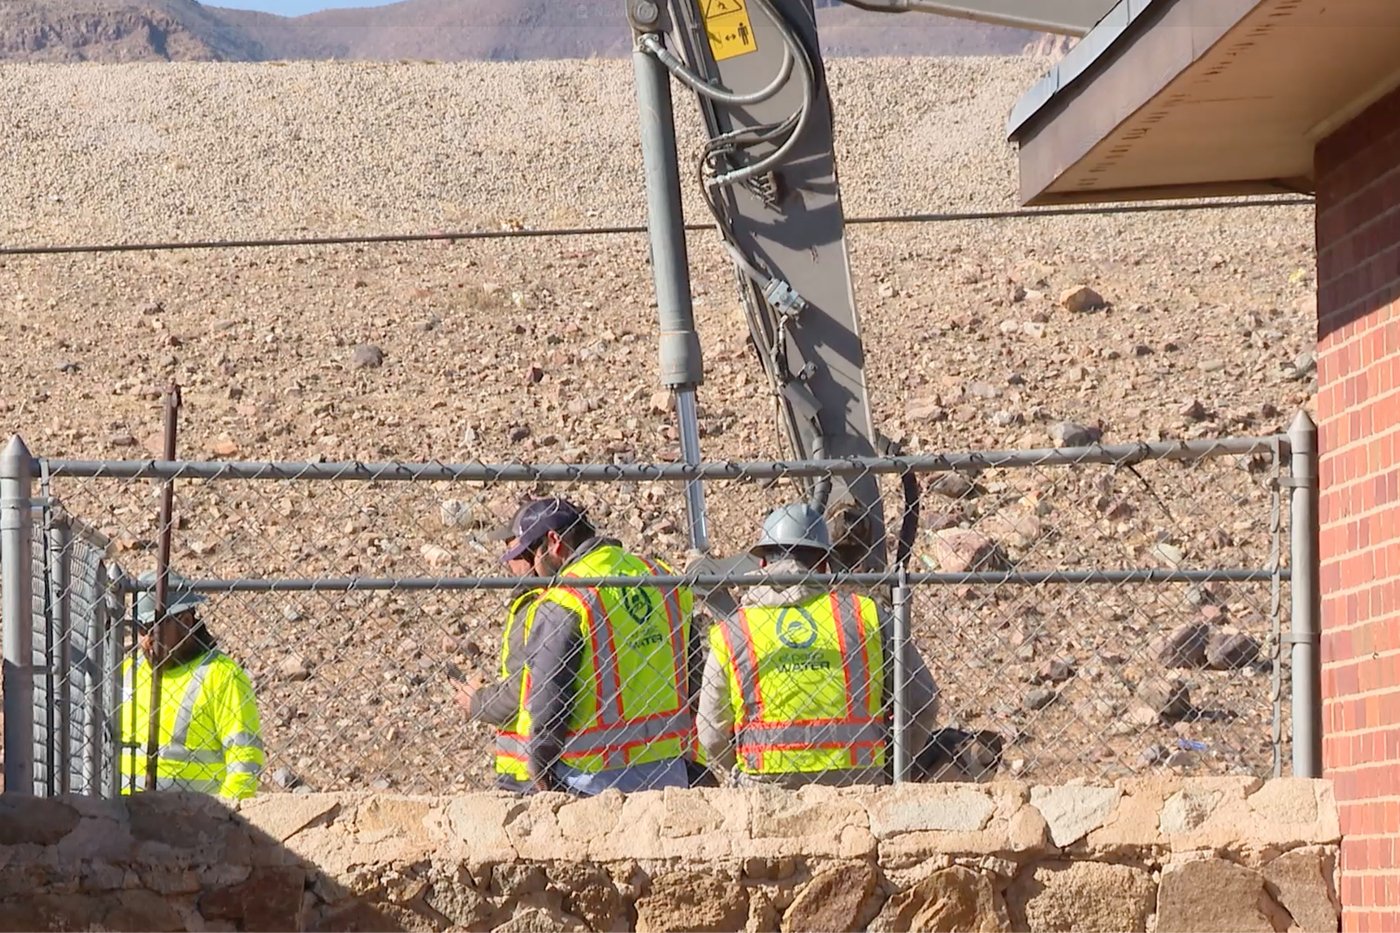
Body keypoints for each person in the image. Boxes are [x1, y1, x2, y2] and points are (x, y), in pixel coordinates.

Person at [698, 502, 942, 788]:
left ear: (763, 563)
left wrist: (741, 773)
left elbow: (710, 733)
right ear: (825, 563)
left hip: (765, 786)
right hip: (858, 782)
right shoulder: (867, 615)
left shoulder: (734, 630)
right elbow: (923, 701)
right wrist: (895, 770)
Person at [494, 498, 696, 795]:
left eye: (529, 554)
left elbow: (550, 700)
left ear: (554, 542)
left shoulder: (565, 601)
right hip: (669, 774)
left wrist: (539, 767)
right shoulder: (662, 577)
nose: (533, 570)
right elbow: (692, 670)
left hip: (591, 782)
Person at [116, 570, 264, 798]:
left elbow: (244, 761)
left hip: (192, 822)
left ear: (185, 622)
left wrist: (223, 819)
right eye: (140, 629)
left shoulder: (221, 675)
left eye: (153, 629)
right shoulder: (128, 672)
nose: (145, 640)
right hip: (121, 817)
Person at [452, 536, 543, 792]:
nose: (508, 567)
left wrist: (475, 700)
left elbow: (522, 691)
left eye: (513, 556)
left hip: (528, 769)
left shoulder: (536, 608)